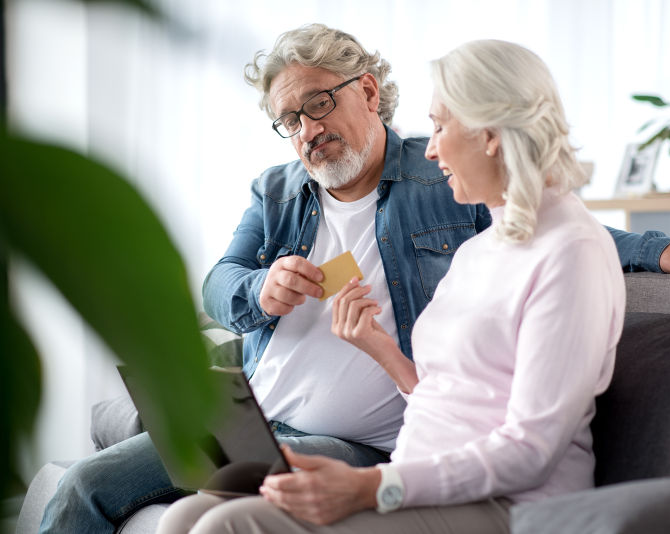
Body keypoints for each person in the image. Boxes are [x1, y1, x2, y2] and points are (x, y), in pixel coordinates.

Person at [38, 24, 670, 534]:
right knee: (91, 489)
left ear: (366, 90)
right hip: (258, 417)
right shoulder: (279, 193)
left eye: (317, 105)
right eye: (288, 121)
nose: (306, 130)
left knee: (205, 519)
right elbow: (220, 284)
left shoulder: (444, 179)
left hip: (357, 441)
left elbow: (542, 222)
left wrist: (654, 247)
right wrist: (258, 288)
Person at [156, 37, 628, 533]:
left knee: (224, 526)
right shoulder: (483, 248)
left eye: (441, 126)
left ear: (490, 133)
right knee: (185, 515)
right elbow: (446, 399)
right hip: (411, 475)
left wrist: (372, 486)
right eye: (292, 120)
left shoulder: (571, 250)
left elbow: (530, 450)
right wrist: (379, 347)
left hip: (508, 500)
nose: (432, 149)